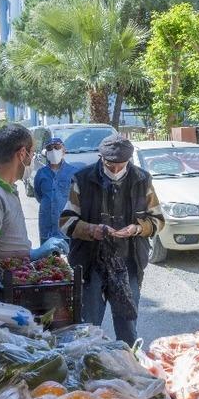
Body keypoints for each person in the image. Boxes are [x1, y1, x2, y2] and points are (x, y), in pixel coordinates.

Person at [59, 134, 164, 344]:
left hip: (128, 263)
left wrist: (137, 228)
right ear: (101, 158)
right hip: (91, 263)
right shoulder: (82, 179)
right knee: (89, 327)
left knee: (127, 326)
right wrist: (92, 230)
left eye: (121, 165)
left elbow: (158, 221)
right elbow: (65, 222)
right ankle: (89, 365)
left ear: (129, 161)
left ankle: (128, 368)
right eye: (110, 165)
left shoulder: (143, 180)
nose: (115, 170)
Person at [0, 124, 69, 263]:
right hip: (2, 283)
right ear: (22, 153)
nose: (32, 160)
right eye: (32, 153)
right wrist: (31, 254)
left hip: (17, 277)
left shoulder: (5, 189)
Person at [34, 137, 79, 243]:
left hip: (67, 227)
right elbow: (39, 195)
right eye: (49, 148)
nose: (53, 151)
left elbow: (78, 199)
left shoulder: (74, 173)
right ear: (46, 153)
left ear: (64, 151)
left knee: (71, 257)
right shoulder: (41, 173)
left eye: (57, 147)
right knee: (47, 259)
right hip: (47, 226)